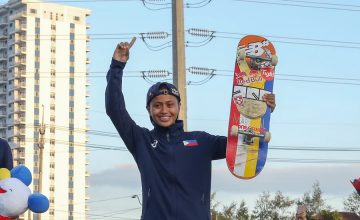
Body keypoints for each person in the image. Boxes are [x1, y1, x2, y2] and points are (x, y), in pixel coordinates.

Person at [105, 37, 276, 220]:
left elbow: (243, 142)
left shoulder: (202, 142)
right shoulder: (142, 141)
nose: (164, 110)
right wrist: (117, 66)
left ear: (179, 107)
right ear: (149, 109)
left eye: (170, 104)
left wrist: (261, 112)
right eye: (157, 105)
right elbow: (115, 109)